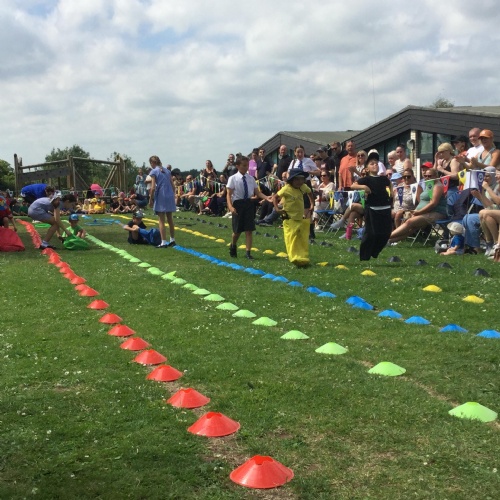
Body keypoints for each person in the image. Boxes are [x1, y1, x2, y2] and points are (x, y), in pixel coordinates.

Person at [226, 156, 271, 259]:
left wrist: (266, 197)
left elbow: (257, 193)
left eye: (247, 165)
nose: (246, 167)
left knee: (249, 229)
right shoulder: (233, 179)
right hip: (238, 204)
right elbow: (228, 195)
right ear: (238, 166)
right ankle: (233, 245)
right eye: (244, 165)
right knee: (237, 231)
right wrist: (230, 207)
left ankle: (248, 253)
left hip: (249, 204)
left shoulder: (251, 179)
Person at [351, 152, 392, 261]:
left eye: (376, 163)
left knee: (386, 233)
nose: (375, 165)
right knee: (371, 233)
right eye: (372, 164)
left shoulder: (383, 178)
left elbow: (389, 183)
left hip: (385, 208)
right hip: (372, 209)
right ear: (367, 168)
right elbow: (353, 185)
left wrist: (392, 192)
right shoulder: (366, 179)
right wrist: (364, 187)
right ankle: (364, 256)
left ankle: (374, 251)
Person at [388, 168, 447, 244]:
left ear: (436, 176)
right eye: (425, 176)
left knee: (410, 222)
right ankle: (389, 241)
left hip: (437, 213)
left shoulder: (437, 186)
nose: (427, 178)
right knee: (412, 227)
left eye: (430, 176)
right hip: (425, 211)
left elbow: (433, 203)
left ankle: (385, 237)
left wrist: (419, 212)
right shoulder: (430, 184)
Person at [273, 169, 314, 267]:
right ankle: (294, 258)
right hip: (289, 218)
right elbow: (275, 197)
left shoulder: (303, 187)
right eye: (297, 179)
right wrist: (277, 209)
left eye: (302, 179)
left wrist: (312, 203)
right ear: (291, 180)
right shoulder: (286, 189)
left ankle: (302, 256)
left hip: (299, 218)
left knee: (301, 238)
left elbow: (310, 192)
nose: (300, 182)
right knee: (292, 238)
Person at [148, 155, 176, 248]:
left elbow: (153, 187)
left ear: (153, 163)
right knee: (170, 218)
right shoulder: (167, 171)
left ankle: (163, 242)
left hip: (161, 194)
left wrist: (150, 199)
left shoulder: (154, 171)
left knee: (161, 220)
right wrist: (172, 195)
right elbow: (173, 186)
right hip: (170, 194)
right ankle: (172, 239)